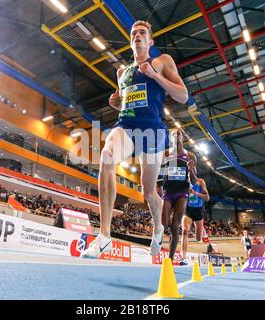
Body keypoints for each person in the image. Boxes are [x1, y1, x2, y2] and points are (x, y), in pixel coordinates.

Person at [81, 20, 189, 258]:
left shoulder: (162, 62)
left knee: (149, 192)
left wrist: (155, 76)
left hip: (152, 131)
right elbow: (127, 100)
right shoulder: (122, 72)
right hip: (127, 126)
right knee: (106, 157)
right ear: (131, 41)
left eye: (142, 33)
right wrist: (117, 102)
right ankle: (105, 236)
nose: (137, 35)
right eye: (133, 33)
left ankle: (159, 227)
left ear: (150, 41)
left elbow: (183, 96)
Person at [160, 129, 198, 262]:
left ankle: (169, 260)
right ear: (170, 138)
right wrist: (158, 188)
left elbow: (194, 181)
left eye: (179, 134)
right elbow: (158, 175)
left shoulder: (191, 155)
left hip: (182, 192)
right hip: (168, 192)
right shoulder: (165, 154)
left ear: (183, 137)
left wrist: (192, 169)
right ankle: (158, 238)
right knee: (164, 225)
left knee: (175, 225)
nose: (176, 136)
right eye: (173, 135)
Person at [179, 177, 209, 265]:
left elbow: (207, 198)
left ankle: (202, 229)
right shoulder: (183, 182)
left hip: (199, 211)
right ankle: (183, 258)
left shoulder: (200, 181)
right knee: (185, 231)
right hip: (188, 210)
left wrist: (195, 193)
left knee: (198, 238)